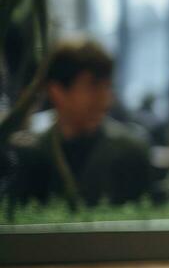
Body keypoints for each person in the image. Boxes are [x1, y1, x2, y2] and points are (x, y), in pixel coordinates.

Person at [7, 38, 153, 208]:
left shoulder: (130, 153)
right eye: (93, 86)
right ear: (57, 92)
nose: (105, 101)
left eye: (107, 87)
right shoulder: (27, 153)